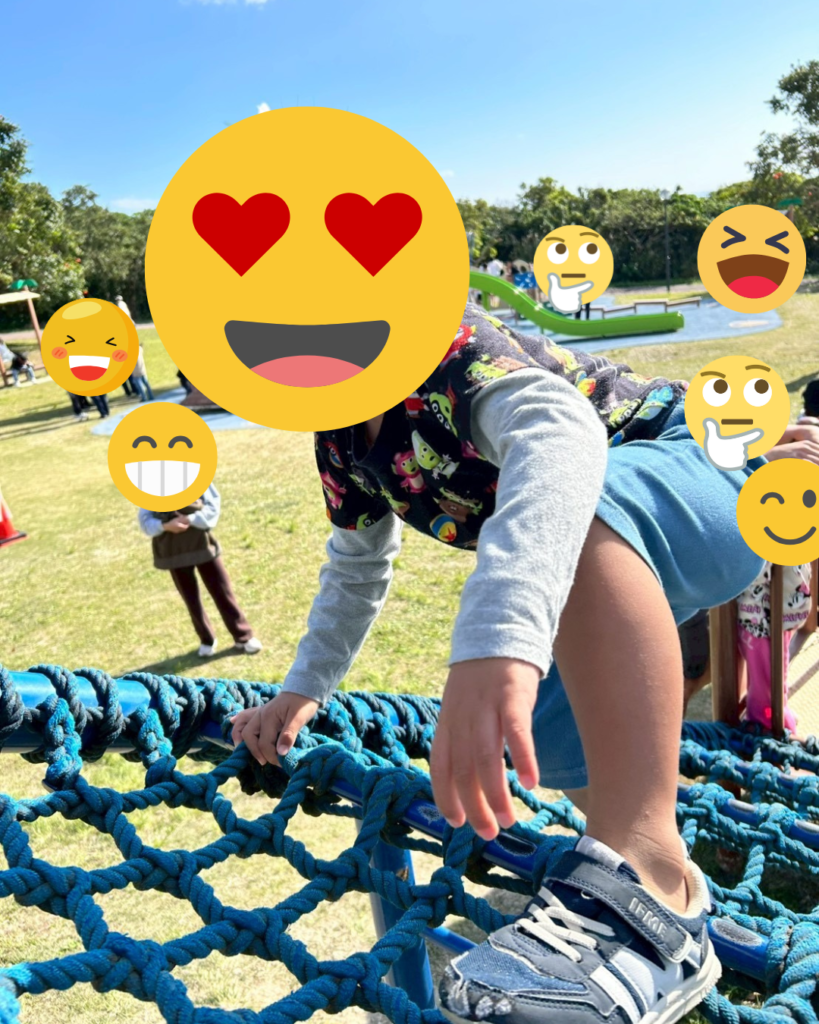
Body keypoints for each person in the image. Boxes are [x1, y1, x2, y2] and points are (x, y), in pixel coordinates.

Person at [229, 301, 774, 1024]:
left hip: (702, 471)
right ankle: (659, 906)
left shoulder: (441, 344)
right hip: (615, 559)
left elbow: (560, 434)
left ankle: (643, 875)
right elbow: (355, 567)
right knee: (548, 736)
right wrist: (303, 688)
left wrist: (497, 639)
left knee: (585, 508)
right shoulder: (339, 434)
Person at [137, 483, 262, 657]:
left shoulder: (197, 477)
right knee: (190, 597)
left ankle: (243, 636)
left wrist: (192, 519)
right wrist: (165, 526)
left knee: (222, 590)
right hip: (173, 551)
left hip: (202, 544)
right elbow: (145, 520)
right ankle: (206, 639)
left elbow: (213, 505)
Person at [737, 561, 810, 733]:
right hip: (763, 618)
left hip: (772, 615)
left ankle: (774, 713)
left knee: (772, 672)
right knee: (767, 675)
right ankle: (768, 717)